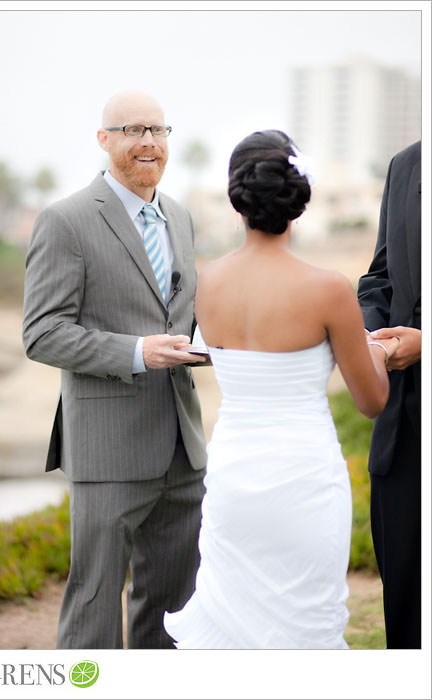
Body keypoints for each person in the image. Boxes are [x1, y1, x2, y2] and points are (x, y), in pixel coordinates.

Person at [164, 130, 394, 648]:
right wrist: (377, 350)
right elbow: (371, 400)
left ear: (236, 197)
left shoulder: (210, 282)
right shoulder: (329, 288)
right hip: (303, 482)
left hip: (233, 479)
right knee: (304, 629)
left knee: (231, 628)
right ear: (298, 195)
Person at [22, 90, 207, 648]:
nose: (148, 141)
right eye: (132, 130)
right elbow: (42, 333)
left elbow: (182, 312)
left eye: (158, 130)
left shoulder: (179, 216)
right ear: (105, 141)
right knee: (95, 606)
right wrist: (136, 353)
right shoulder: (66, 220)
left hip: (184, 446)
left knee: (175, 609)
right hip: (107, 449)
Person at [357, 140, 421, 649]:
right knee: (404, 610)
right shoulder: (406, 164)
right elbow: (378, 280)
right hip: (402, 433)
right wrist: (372, 342)